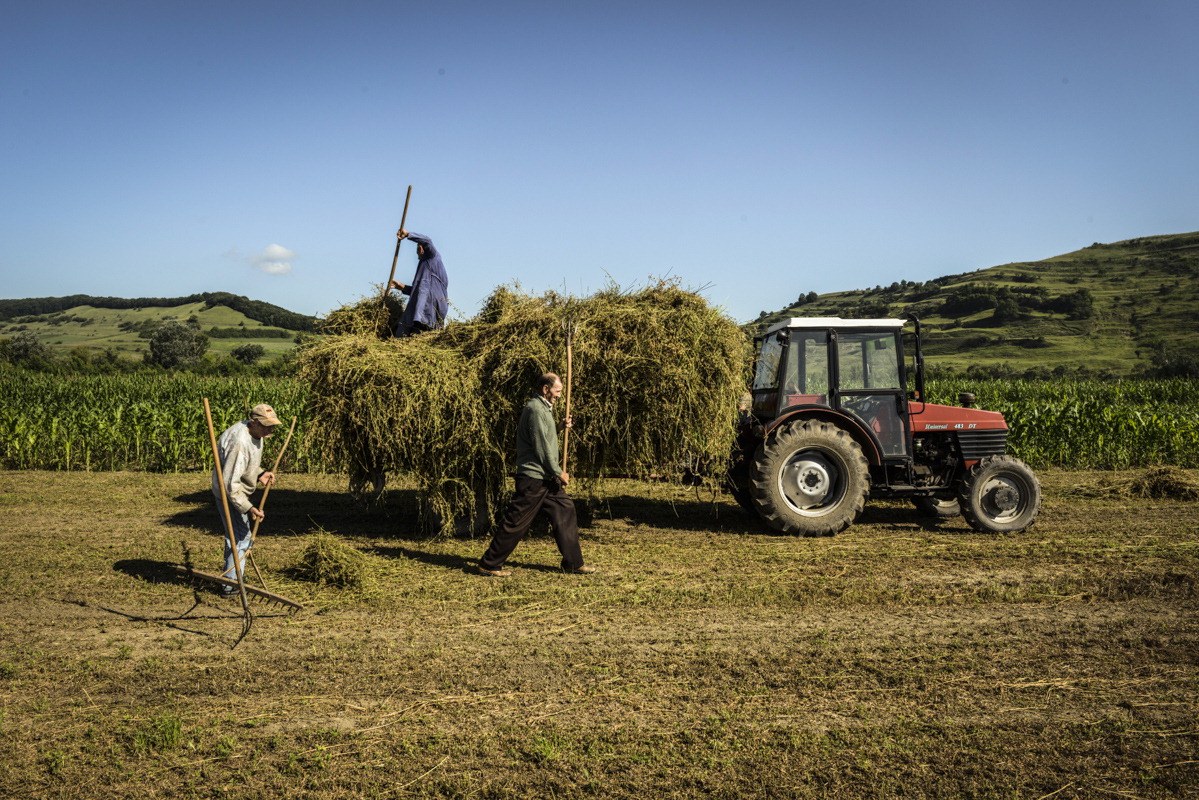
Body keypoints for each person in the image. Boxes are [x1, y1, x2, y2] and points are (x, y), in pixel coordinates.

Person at [479, 373, 595, 577]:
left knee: (565, 510)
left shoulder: (543, 409)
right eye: (557, 391)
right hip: (533, 477)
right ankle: (489, 564)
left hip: (545, 478)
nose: (560, 395)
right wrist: (558, 472)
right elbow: (541, 448)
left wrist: (559, 427)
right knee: (517, 521)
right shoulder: (534, 409)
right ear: (545, 389)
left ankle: (573, 563)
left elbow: (545, 437)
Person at [211, 403, 280, 595]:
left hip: (236, 488)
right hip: (229, 494)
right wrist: (249, 508)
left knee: (239, 534)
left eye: (272, 425)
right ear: (254, 422)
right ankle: (231, 584)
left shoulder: (257, 433)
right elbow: (230, 484)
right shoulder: (239, 442)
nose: (271, 429)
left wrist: (260, 473)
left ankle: (234, 577)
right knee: (240, 536)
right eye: (266, 425)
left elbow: (245, 465)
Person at [388, 228, 448, 336]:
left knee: (413, 329)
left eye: (417, 248)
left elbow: (428, 241)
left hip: (429, 309)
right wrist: (402, 287)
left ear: (421, 247)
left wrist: (408, 234)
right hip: (428, 309)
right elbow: (421, 291)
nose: (416, 254)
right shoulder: (426, 267)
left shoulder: (432, 258)